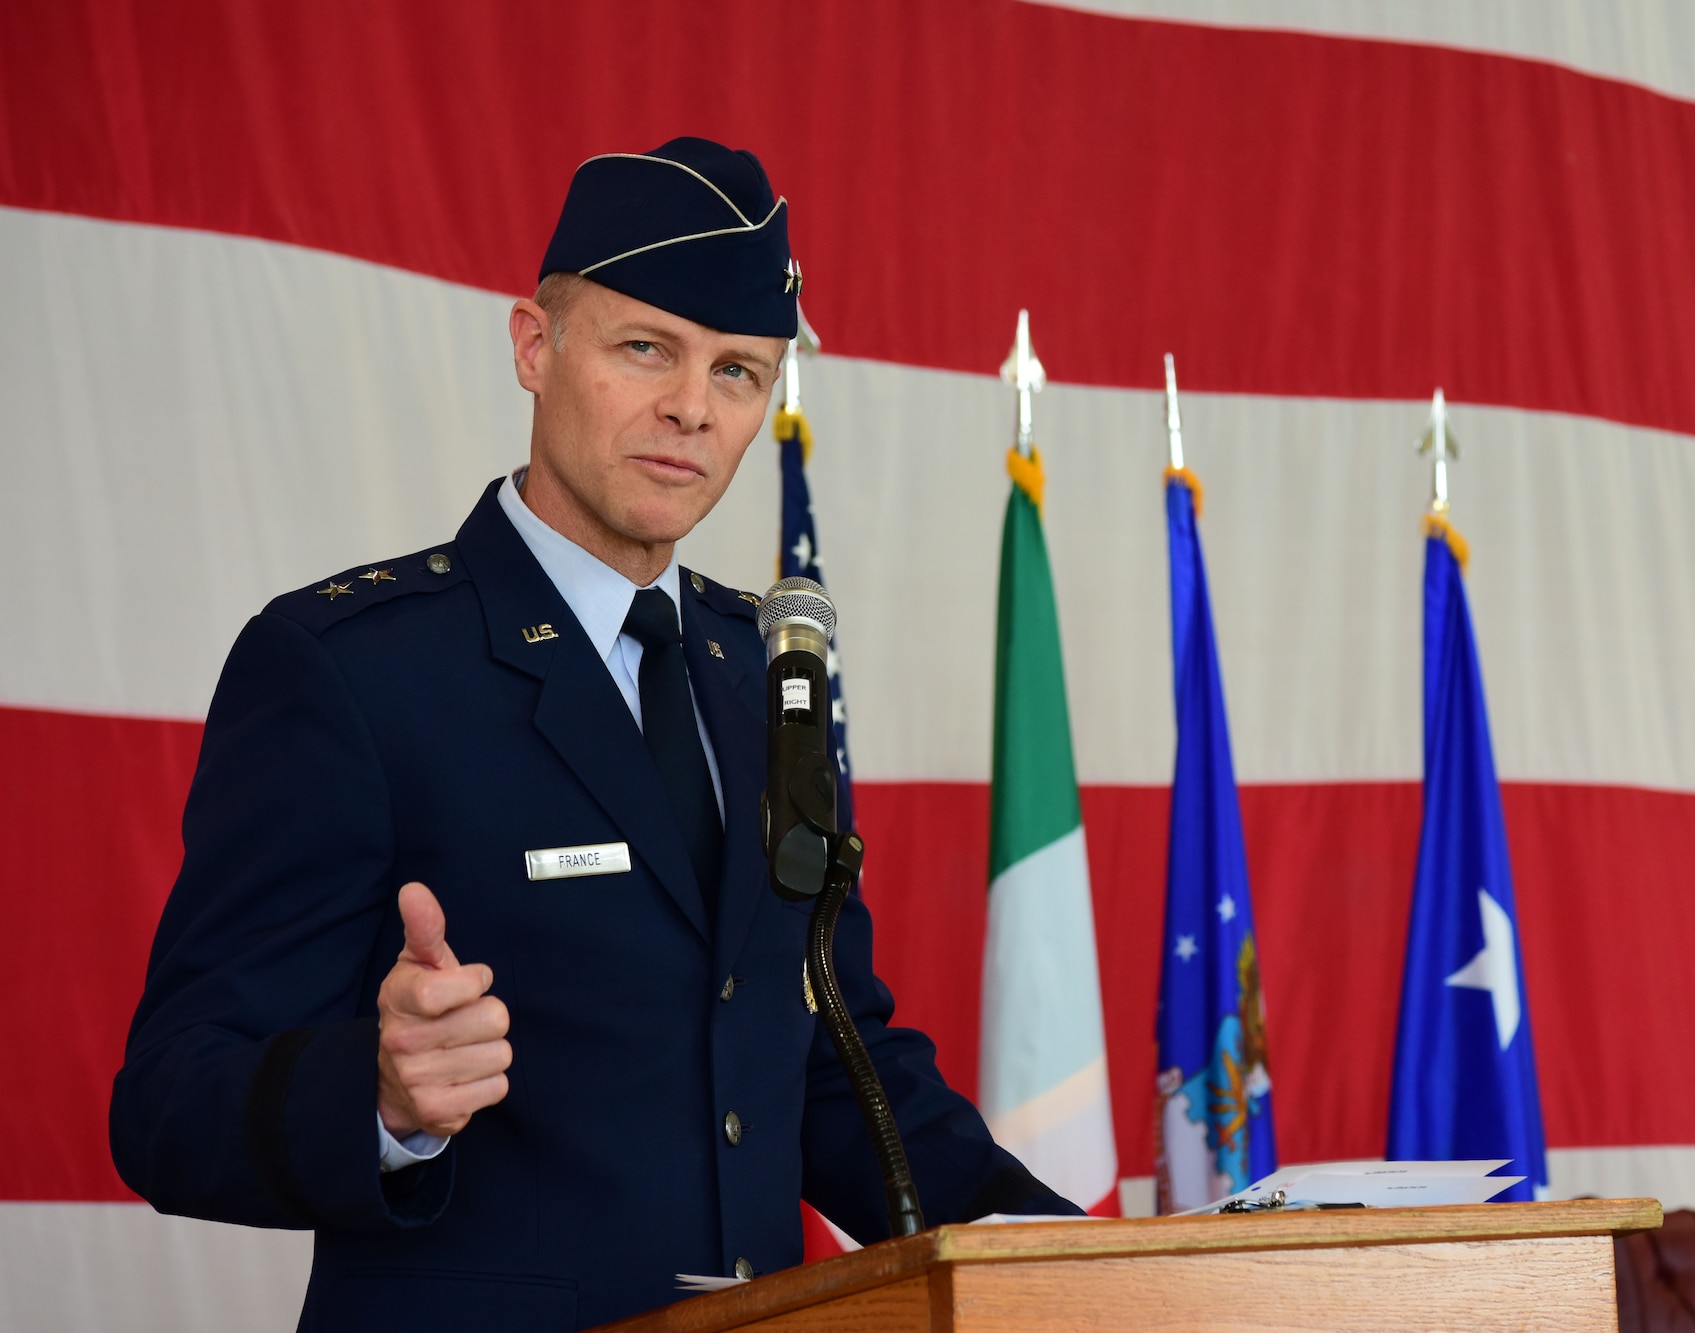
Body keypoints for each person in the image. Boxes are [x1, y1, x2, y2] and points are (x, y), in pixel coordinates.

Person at [110, 137, 1079, 1333]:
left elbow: (826, 1050)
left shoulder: (764, 668)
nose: (691, 406)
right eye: (645, 348)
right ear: (534, 345)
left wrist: (1064, 1255)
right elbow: (165, 1099)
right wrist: (376, 1095)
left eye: (737, 371)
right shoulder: (350, 670)